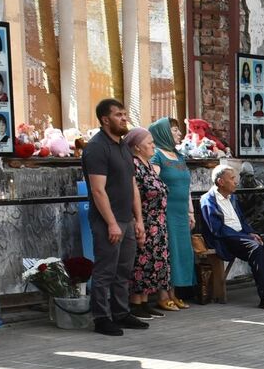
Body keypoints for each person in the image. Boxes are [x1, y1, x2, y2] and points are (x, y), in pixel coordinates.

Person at [81, 98, 149, 336]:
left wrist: (138, 219)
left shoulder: (122, 146)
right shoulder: (96, 148)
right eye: (118, 114)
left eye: (124, 114)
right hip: (107, 221)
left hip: (127, 219)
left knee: (123, 270)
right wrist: (111, 223)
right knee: (105, 271)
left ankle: (121, 312)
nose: (124, 118)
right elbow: (98, 190)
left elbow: (132, 185)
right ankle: (101, 318)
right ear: (105, 119)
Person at [199, 163, 264, 312]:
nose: (236, 181)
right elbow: (217, 230)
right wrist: (245, 237)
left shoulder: (231, 197)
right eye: (232, 178)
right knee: (256, 248)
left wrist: (250, 233)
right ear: (220, 182)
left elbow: (241, 220)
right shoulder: (208, 200)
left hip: (241, 236)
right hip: (224, 240)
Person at [125, 126, 174, 316]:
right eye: (150, 143)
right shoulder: (134, 165)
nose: (154, 146)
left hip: (158, 223)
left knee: (154, 263)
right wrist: (139, 221)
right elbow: (134, 193)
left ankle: (144, 301)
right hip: (145, 221)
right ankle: (135, 303)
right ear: (137, 147)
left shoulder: (148, 165)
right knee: (142, 262)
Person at [150, 118, 193, 308]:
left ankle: (173, 293)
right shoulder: (157, 155)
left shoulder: (179, 156)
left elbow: (187, 185)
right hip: (165, 212)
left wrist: (191, 211)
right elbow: (153, 183)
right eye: (175, 130)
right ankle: (162, 296)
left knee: (181, 252)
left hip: (181, 213)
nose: (179, 134)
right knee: (167, 252)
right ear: (164, 133)